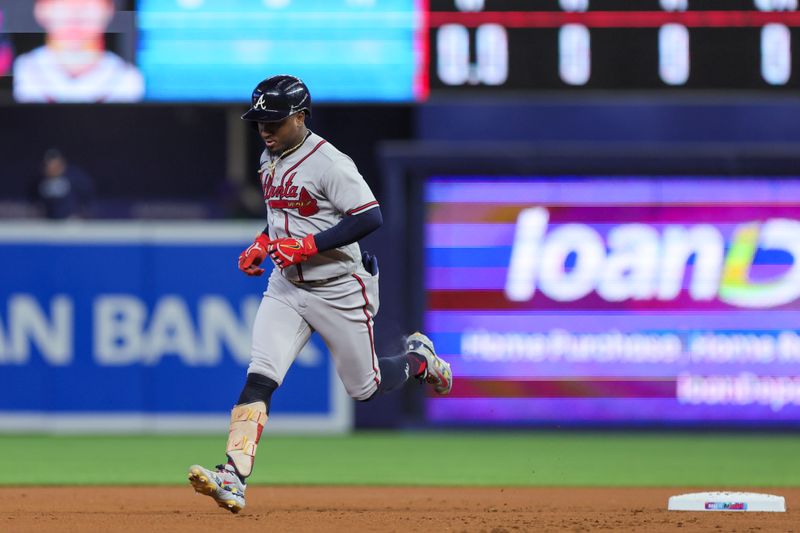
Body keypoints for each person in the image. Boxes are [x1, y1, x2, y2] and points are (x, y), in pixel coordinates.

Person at [187, 75, 453, 514]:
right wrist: (261, 241)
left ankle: (419, 359)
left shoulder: (330, 162)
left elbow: (370, 217)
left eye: (274, 120)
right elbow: (281, 218)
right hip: (287, 286)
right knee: (261, 374)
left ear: (300, 116)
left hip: (340, 288)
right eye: (259, 121)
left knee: (364, 388)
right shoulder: (268, 157)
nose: (265, 129)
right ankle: (233, 477)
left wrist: (309, 246)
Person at [13, 0, 144, 103]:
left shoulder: (128, 79)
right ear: (40, 9)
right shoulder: (21, 72)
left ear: (109, 9)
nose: (74, 12)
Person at [29, 149, 94, 219]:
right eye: (48, 165)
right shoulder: (39, 182)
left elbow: (87, 199)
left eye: (55, 165)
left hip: (71, 221)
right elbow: (35, 202)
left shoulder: (75, 178)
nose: (52, 168)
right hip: (48, 222)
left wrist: (81, 214)